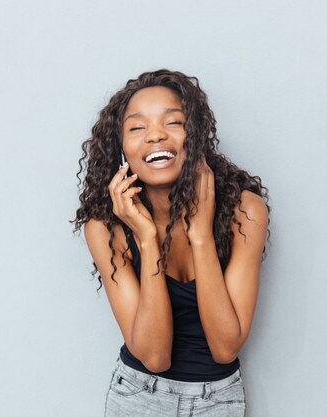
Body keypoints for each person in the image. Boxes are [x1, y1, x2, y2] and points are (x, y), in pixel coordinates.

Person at [71, 69, 270, 416]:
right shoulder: (106, 228)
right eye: (137, 127)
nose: (155, 136)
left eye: (173, 122)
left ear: (194, 136)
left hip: (218, 400)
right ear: (121, 150)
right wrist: (147, 240)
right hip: (138, 396)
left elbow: (225, 348)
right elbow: (155, 356)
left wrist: (200, 234)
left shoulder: (244, 211)